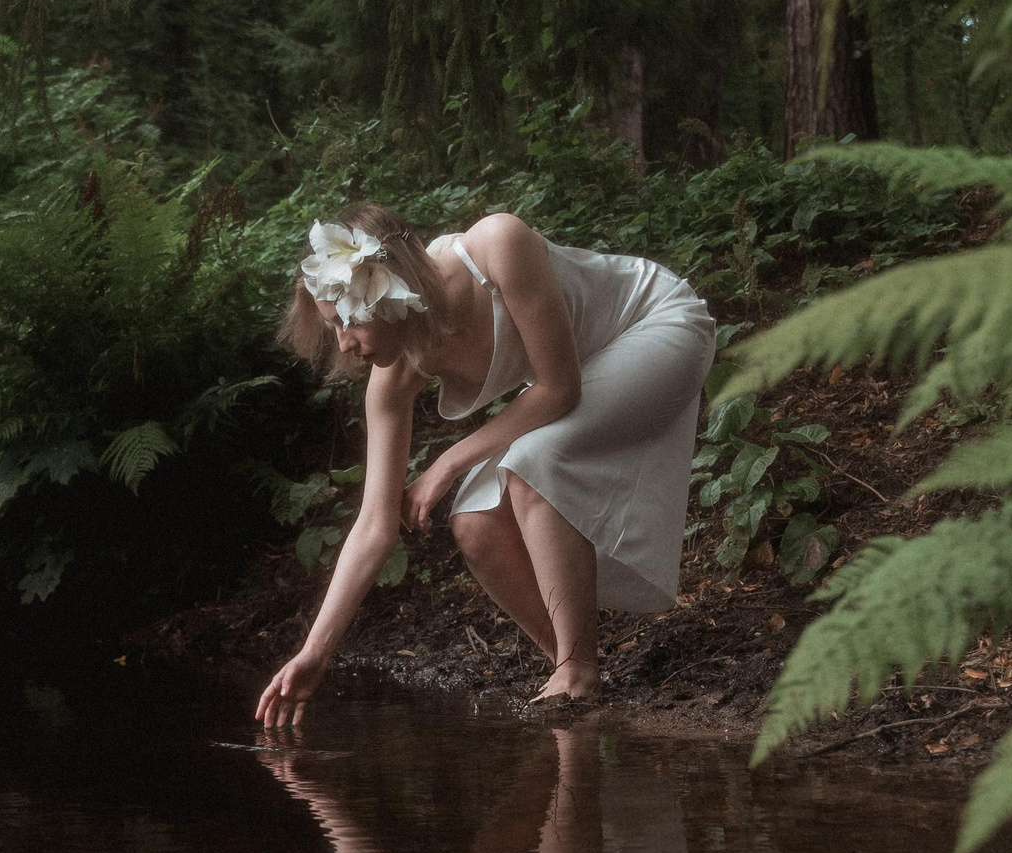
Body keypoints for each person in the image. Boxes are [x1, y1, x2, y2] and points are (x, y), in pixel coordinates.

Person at [253, 205, 716, 727]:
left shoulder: (496, 245)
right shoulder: (391, 382)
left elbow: (558, 389)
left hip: (659, 322)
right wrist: (316, 652)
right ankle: (571, 672)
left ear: (382, 292)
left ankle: (577, 671)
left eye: (347, 321)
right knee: (475, 519)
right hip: (588, 370)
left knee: (530, 464)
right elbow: (374, 528)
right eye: (333, 327)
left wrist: (445, 464)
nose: (343, 343)